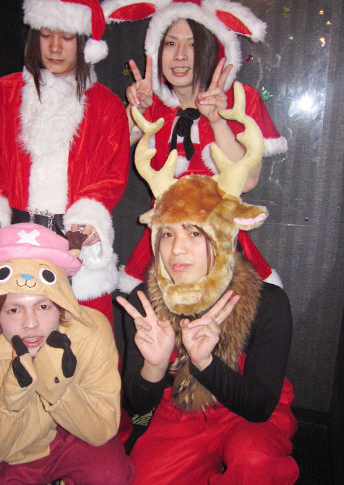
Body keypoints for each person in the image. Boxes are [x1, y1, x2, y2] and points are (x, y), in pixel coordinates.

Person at [115, 92, 299, 484]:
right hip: (182, 410)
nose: (176, 249)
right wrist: (154, 366)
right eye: (167, 234)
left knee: (254, 461)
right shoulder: (143, 302)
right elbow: (139, 404)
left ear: (223, 237)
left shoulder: (268, 302)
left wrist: (206, 363)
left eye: (194, 233)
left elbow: (259, 407)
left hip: (247, 413)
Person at [0, 0, 130, 326]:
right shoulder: (0, 95)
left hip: (74, 243)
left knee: (84, 343)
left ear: (84, 42)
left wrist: (90, 219)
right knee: (13, 340)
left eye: (67, 37)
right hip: (12, 243)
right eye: (45, 35)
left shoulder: (106, 106)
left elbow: (110, 177)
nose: (54, 47)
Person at [102, 0, 287, 293]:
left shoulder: (239, 99)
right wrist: (136, 111)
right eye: (170, 43)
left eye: (192, 45)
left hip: (218, 246)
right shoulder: (154, 105)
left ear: (211, 50)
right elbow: (106, 157)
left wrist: (216, 120)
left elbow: (248, 180)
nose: (180, 55)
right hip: (166, 246)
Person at [0, 223, 134, 484]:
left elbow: (102, 429)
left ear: (61, 305)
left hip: (69, 436)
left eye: (44, 306)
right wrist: (9, 402)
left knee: (110, 473)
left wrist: (58, 389)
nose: (31, 324)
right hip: (5, 453)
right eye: (14, 310)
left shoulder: (89, 332)